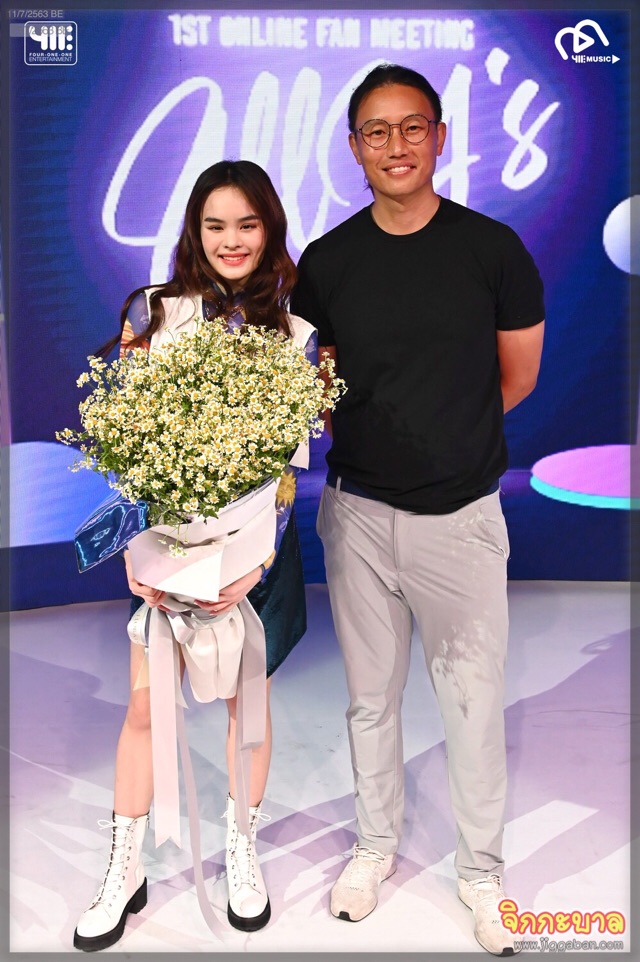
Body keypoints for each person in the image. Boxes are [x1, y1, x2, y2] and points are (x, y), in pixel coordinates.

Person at [290, 63, 545, 956]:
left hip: (461, 521)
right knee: (370, 701)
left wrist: (445, 439)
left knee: (472, 705)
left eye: (411, 128)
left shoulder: (493, 250)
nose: (394, 146)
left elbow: (516, 378)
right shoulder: (326, 263)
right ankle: (374, 847)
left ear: (440, 136)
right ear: (353, 147)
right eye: (376, 131)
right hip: (357, 517)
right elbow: (321, 390)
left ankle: (482, 875)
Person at [73, 160, 316, 951]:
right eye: (216, 225)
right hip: (166, 553)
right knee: (146, 709)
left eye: (247, 224)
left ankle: (242, 851)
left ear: (270, 230)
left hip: (256, 562)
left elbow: (287, 472)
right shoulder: (153, 314)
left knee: (249, 710)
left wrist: (254, 564)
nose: (232, 240)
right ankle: (123, 869)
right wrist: (135, 551)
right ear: (194, 231)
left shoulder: (296, 335)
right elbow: (126, 450)